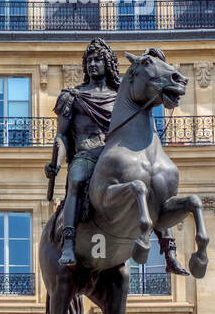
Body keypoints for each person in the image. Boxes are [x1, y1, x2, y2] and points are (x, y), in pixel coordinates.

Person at [45, 37, 188, 273]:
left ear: (108, 63)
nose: (92, 64)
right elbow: (61, 135)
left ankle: (168, 250)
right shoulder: (73, 96)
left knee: (155, 183)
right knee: (77, 179)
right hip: (88, 154)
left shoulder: (121, 96)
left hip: (118, 152)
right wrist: (57, 163)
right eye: (89, 60)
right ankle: (69, 244)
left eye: (98, 59)